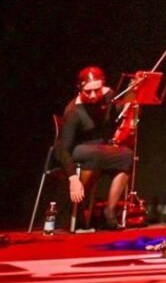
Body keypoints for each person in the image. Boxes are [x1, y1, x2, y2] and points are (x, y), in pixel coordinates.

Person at [54, 66, 133, 229]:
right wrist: (73, 178)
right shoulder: (73, 111)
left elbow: (118, 111)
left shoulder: (108, 95)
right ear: (80, 89)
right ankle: (79, 210)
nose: (92, 95)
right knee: (96, 154)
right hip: (75, 149)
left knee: (127, 155)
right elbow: (64, 149)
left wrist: (134, 92)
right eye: (87, 91)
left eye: (97, 90)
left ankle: (109, 212)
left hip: (98, 148)